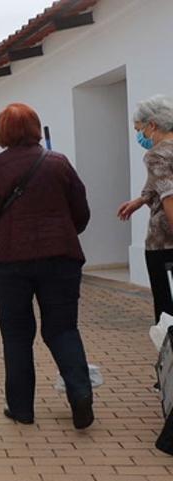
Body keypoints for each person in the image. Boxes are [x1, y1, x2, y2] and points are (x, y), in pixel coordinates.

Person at [0, 103, 94, 429]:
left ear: (2, 133)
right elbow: (80, 211)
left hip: (10, 262)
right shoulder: (58, 162)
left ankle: (22, 408)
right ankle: (80, 394)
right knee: (63, 328)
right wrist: (60, 234)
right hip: (61, 257)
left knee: (16, 334)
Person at [117, 95, 173, 323]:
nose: (140, 136)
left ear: (152, 125)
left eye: (139, 129)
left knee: (165, 307)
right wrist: (140, 201)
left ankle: (168, 353)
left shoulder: (156, 154)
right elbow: (160, 184)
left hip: (164, 242)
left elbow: (169, 195)